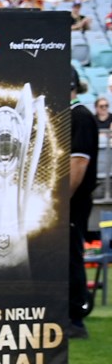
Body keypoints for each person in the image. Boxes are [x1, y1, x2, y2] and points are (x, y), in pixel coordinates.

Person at [70, 70, 98, 340]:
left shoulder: (79, 116)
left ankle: (76, 317)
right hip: (70, 199)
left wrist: (61, 200)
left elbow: (78, 163)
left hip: (75, 200)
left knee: (72, 253)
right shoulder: (73, 115)